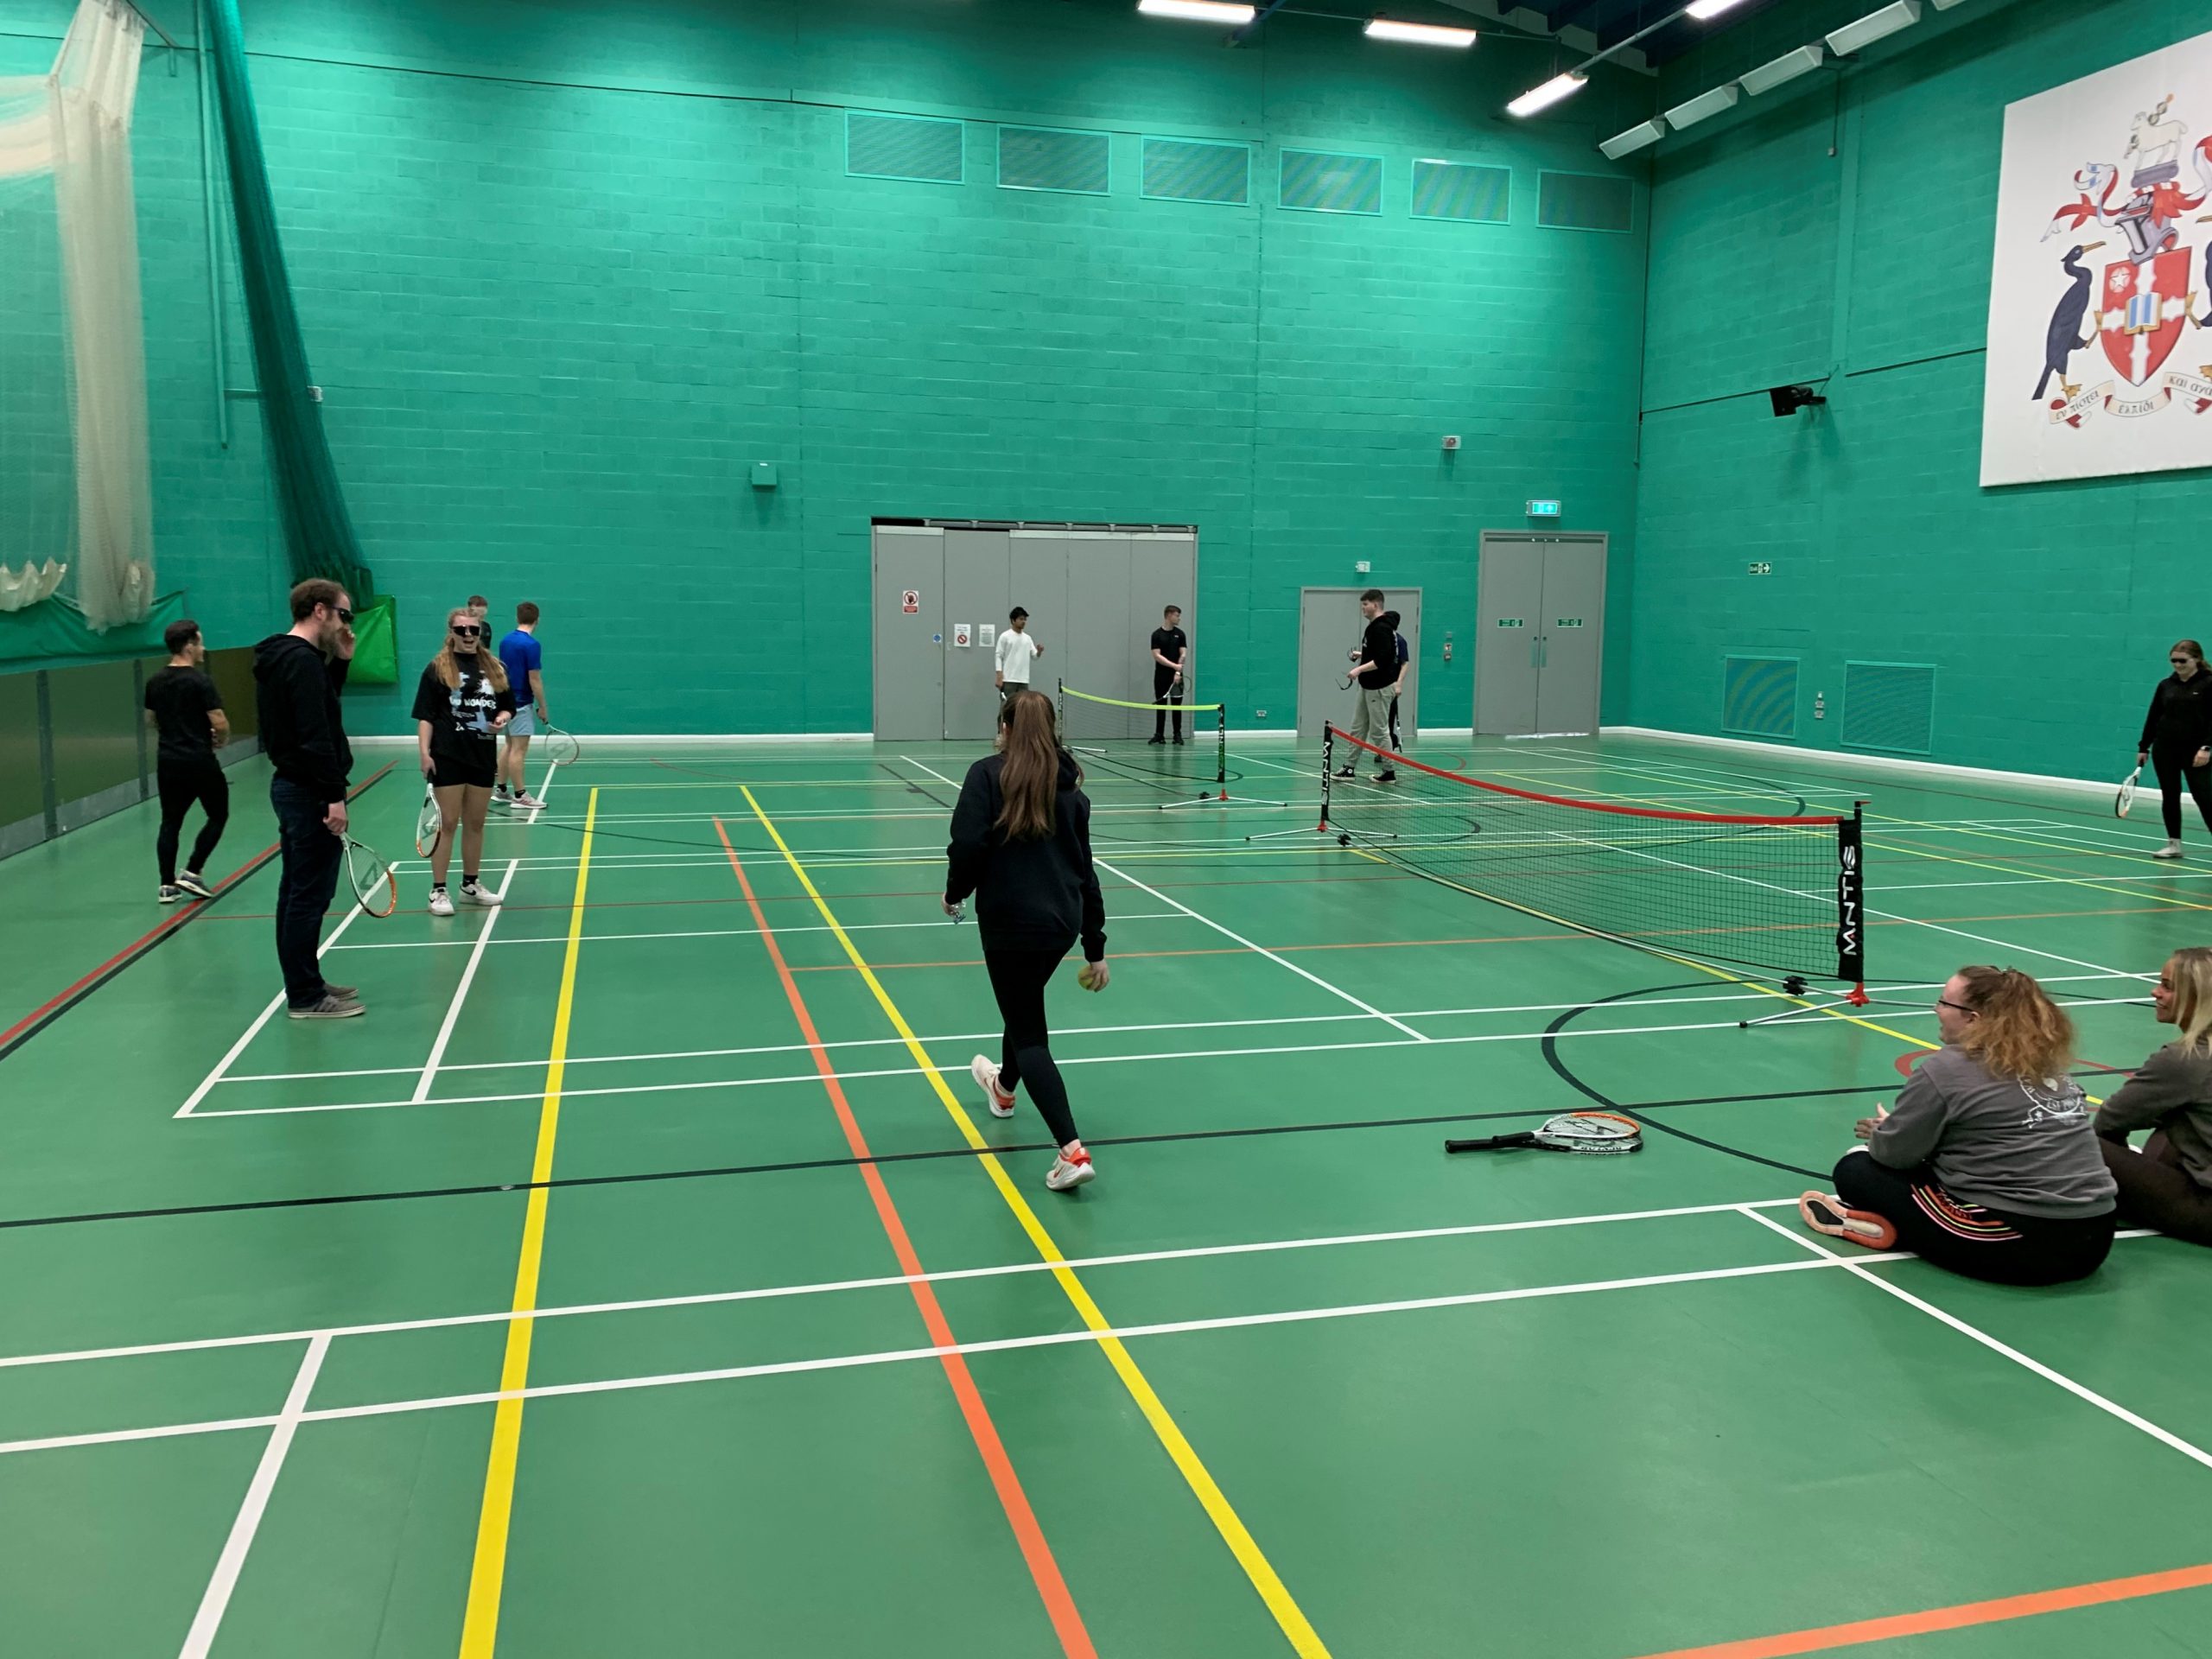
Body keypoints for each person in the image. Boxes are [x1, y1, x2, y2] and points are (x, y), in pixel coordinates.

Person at [1798, 966, 2117, 1284]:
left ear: (1973, 1019)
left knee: (1856, 1167)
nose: (1936, 1010)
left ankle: (1895, 1230)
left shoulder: (1945, 1068)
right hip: (2097, 1237)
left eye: (1944, 1003)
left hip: (2020, 1246)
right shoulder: (2046, 1063)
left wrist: (1888, 1131)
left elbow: (1893, 1156)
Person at [944, 690, 1108, 1192]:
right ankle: (1003, 1088)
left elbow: (967, 843)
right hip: (1060, 923)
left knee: (1029, 1032)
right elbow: (1087, 870)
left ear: (1006, 727)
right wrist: (1094, 944)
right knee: (1023, 1008)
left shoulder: (987, 776)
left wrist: (955, 894)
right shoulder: (1072, 792)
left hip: (1010, 924)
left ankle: (1071, 1151)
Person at [253, 579, 362, 1020]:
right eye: (344, 614)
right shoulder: (300, 661)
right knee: (307, 897)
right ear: (320, 611)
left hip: (295, 787)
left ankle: (307, 981)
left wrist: (341, 663)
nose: (346, 623)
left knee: (298, 893)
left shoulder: (289, 658)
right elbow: (315, 734)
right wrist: (334, 796)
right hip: (309, 793)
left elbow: (321, 705)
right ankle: (305, 996)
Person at [2094, 946, 2212, 1246]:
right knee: (2174, 1121)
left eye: (2167, 987)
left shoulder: (2184, 1059)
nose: (2155, 992)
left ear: (2198, 998)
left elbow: (2108, 1122)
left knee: (2084, 1143)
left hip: (2206, 1211)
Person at [413, 607, 514, 916]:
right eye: (462, 630)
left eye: (474, 629)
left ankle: (470, 885)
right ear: (452, 633)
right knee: (448, 825)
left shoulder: (496, 668)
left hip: (482, 756)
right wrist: (424, 753)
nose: (469, 635)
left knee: (476, 824)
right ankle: (438, 890)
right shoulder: (437, 669)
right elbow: (425, 716)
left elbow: (508, 707)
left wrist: (502, 718)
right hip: (448, 755)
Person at [143, 619, 230, 904]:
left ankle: (166, 885)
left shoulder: (155, 681)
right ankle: (193, 871)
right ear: (190, 645)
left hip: (168, 762)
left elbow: (151, 719)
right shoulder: (200, 681)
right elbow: (218, 720)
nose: (203, 648)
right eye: (201, 642)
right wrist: (221, 738)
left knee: (170, 822)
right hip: (199, 761)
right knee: (218, 815)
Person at [2137, 639, 2212, 860]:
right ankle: (2174, 844)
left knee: (2205, 798)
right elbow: (2154, 716)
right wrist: (2144, 746)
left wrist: (2207, 747)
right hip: (2165, 749)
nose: (2178, 665)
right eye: (2173, 661)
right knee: (2170, 796)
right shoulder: (2165, 685)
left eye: (2182, 661)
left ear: (2196, 659)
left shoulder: (2209, 684)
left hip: (2197, 752)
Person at [1334, 589, 1399, 784]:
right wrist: (1361, 654)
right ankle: (1349, 768)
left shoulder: (1381, 628)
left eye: (1365, 605)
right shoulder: (1374, 627)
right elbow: (1377, 652)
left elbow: (1383, 659)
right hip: (1368, 686)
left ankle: (1389, 771)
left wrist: (1358, 670)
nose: (1362, 608)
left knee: (1379, 731)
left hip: (1379, 687)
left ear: (1376, 605)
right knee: (1358, 728)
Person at [495, 601, 547, 811]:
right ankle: (520, 796)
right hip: (521, 703)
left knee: (508, 744)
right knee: (519, 750)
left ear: (517, 619)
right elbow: (534, 679)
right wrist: (542, 706)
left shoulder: (505, 641)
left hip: (504, 701)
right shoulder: (532, 645)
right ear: (537, 620)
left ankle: (501, 790)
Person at [1148, 604, 1189, 746]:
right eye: (1177, 615)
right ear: (1169, 615)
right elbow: (1157, 656)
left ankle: (1177, 735)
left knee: (1176, 707)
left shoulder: (1180, 634)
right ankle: (1159, 735)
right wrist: (1174, 666)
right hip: (1161, 677)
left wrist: (1178, 671)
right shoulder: (1156, 635)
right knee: (1161, 706)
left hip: (1177, 678)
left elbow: (1183, 654)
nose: (1179, 618)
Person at [994, 607, 1041, 702]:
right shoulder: (1005, 636)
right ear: (1013, 620)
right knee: (1007, 706)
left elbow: (1034, 656)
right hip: (1009, 679)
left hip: (1023, 680)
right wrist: (999, 676)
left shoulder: (1027, 638)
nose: (1023, 622)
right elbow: (999, 656)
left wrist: (1039, 652)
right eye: (1021, 619)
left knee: (1023, 708)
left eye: (1025, 619)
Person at [1387, 623, 1410, 750]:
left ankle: (1389, 746)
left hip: (1391, 686)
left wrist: (1399, 684)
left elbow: (1405, 664)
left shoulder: (1400, 641)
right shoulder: (1383, 640)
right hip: (1377, 685)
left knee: (1389, 719)